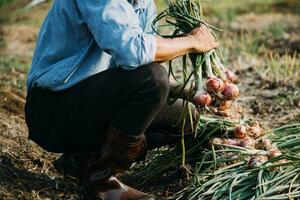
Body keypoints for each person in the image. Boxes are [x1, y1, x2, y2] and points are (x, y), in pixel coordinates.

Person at [25, 0, 218, 199]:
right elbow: (134, 51)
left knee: (185, 117)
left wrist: (190, 92)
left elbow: (140, 65)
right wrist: (192, 42)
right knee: (153, 79)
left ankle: (82, 160)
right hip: (53, 111)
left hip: (92, 103)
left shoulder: (143, 4)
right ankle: (102, 182)